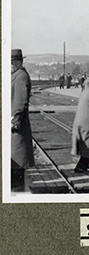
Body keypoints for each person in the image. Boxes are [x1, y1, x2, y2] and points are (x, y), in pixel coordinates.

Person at [11, 49, 35, 192]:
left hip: (16, 129)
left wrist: (15, 121)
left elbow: (20, 102)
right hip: (14, 127)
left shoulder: (21, 77)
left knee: (17, 165)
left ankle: (17, 197)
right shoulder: (17, 75)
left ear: (15, 62)